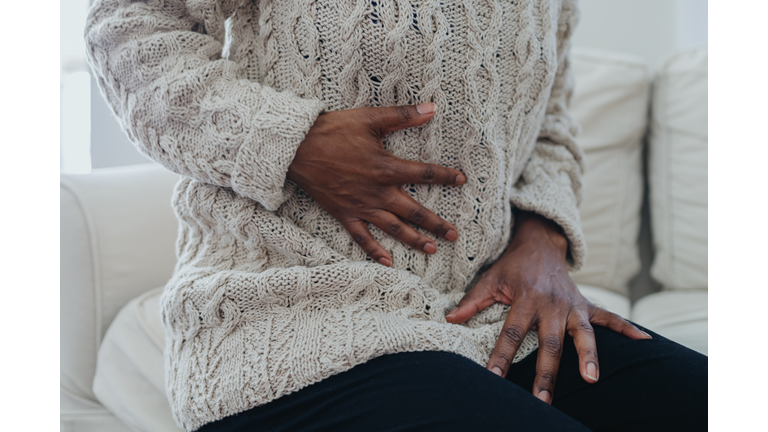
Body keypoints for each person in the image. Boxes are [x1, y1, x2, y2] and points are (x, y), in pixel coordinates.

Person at [84, 0, 707, 430]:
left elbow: (550, 115)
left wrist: (542, 235)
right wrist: (294, 144)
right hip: (288, 323)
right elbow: (128, 33)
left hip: (485, 323)